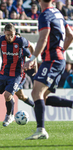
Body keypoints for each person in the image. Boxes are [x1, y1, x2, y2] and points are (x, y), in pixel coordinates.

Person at [23, 0, 73, 140]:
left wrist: (32, 58)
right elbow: (70, 35)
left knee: (36, 93)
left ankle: (41, 130)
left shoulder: (44, 15)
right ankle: (71, 104)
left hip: (51, 60)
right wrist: (61, 50)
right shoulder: (58, 13)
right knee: (42, 98)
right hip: (59, 59)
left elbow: (43, 38)